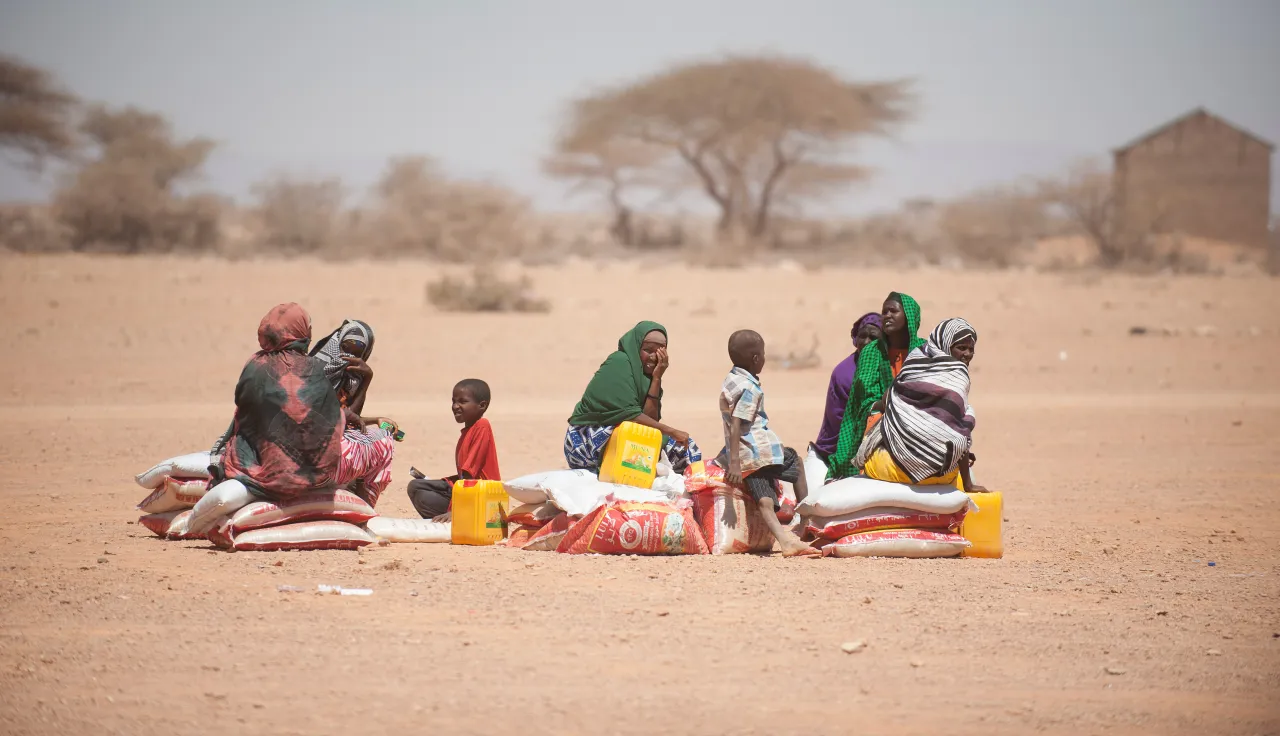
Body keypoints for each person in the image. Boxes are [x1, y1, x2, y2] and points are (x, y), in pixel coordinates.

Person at [209, 303, 395, 506]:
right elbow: (326, 422)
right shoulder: (311, 369)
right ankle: (363, 514)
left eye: (357, 348)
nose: (350, 353)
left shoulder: (253, 365)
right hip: (308, 468)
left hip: (255, 458)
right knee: (383, 440)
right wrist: (356, 403)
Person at [720, 330, 820, 558]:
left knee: (763, 496)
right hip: (758, 449)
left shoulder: (731, 380)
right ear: (756, 358)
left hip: (745, 454)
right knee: (796, 462)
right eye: (763, 354)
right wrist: (734, 464)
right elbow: (737, 422)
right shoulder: (750, 388)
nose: (764, 359)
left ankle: (785, 542)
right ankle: (804, 521)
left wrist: (733, 457)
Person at [855, 318, 985, 491]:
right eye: (961, 348)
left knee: (880, 416)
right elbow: (958, 432)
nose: (967, 354)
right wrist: (968, 485)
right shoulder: (959, 376)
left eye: (971, 349)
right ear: (945, 345)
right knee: (965, 413)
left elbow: (887, 400)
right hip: (941, 476)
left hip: (894, 471)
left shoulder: (916, 359)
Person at [564, 321, 701, 473]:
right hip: (587, 438)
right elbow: (631, 415)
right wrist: (671, 431)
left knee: (687, 452)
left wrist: (656, 379)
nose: (653, 357)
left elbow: (650, 421)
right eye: (648, 350)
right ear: (636, 347)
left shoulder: (647, 377)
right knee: (663, 445)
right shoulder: (619, 362)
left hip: (623, 433)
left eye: (660, 352)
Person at [827, 292, 926, 479]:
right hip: (879, 417)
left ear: (909, 316)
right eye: (884, 311)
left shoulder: (925, 351)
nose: (887, 315)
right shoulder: (872, 352)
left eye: (893, 311)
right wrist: (888, 402)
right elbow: (863, 400)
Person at [407, 379, 501, 520]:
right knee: (416, 486)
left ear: (481, 406)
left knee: (423, 495)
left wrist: (455, 511)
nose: (455, 406)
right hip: (468, 491)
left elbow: (469, 475)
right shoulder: (467, 431)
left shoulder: (482, 426)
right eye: (453, 401)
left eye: (462, 402)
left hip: (482, 497)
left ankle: (460, 518)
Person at [812, 312, 883, 462]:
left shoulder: (889, 370)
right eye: (862, 336)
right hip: (839, 448)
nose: (866, 342)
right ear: (855, 338)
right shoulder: (843, 373)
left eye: (874, 337)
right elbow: (841, 420)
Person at [310, 319, 398, 434]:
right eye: (345, 348)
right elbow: (337, 419)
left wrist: (377, 420)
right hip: (310, 437)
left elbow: (349, 416)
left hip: (329, 433)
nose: (349, 356)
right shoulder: (316, 370)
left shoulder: (354, 379)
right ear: (338, 343)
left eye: (356, 354)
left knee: (383, 435)